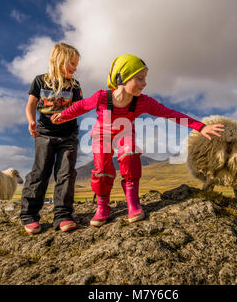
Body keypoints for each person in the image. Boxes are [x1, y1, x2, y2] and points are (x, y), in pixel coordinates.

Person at [51, 54, 224, 227]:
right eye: (139, 78)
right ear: (121, 79)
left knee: (130, 150)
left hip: (125, 133)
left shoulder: (143, 102)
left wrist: (200, 127)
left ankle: (133, 202)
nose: (144, 83)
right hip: (101, 134)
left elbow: (170, 113)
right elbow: (81, 106)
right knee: (102, 169)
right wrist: (64, 115)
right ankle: (102, 206)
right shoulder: (102, 97)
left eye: (145, 79)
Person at [20, 43, 83, 234]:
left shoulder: (75, 85)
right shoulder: (40, 81)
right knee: (40, 173)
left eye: (76, 64)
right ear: (59, 61)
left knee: (66, 174)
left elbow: (79, 109)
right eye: (72, 63)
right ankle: (29, 215)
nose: (75, 68)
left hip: (68, 136)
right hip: (44, 134)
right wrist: (31, 121)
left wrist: (66, 116)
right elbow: (30, 105)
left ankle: (63, 216)